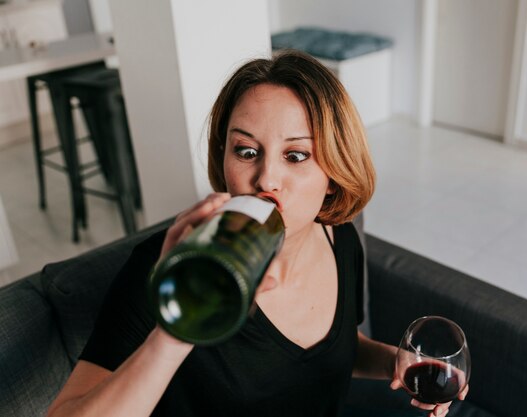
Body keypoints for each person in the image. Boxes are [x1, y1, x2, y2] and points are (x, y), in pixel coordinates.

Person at [47, 50, 467, 417]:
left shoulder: (340, 239)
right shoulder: (171, 269)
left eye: (296, 155)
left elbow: (337, 347)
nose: (266, 177)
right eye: (246, 151)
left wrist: (394, 363)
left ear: (335, 176)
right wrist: (177, 332)